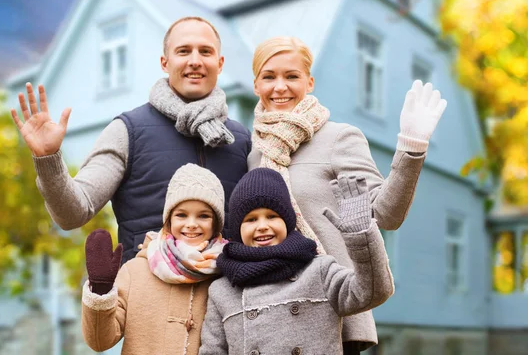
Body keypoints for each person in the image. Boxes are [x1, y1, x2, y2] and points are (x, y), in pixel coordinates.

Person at [247, 37, 447, 353]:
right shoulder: (256, 154)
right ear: (256, 84)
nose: (280, 86)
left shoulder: (339, 138)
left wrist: (411, 147)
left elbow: (387, 215)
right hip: (273, 314)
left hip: (332, 309)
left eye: (292, 76)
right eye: (269, 76)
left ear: (309, 82)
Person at [10, 16, 250, 262]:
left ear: (219, 63)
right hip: (146, 293)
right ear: (165, 63)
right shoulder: (128, 131)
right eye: (183, 51)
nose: (195, 61)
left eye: (205, 52)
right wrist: (48, 159)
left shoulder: (240, 140)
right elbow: (73, 213)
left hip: (221, 295)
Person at [199, 168, 394, 355]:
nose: (262, 226)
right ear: (236, 229)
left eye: (272, 216)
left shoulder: (319, 270)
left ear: (288, 221)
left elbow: (374, 292)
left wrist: (361, 237)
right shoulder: (221, 290)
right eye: (251, 219)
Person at [82, 164, 228, 354]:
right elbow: (99, 342)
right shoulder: (134, 272)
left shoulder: (226, 272)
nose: (191, 224)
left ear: (216, 223)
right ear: (168, 219)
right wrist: (101, 291)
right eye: (181, 215)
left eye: (203, 216)